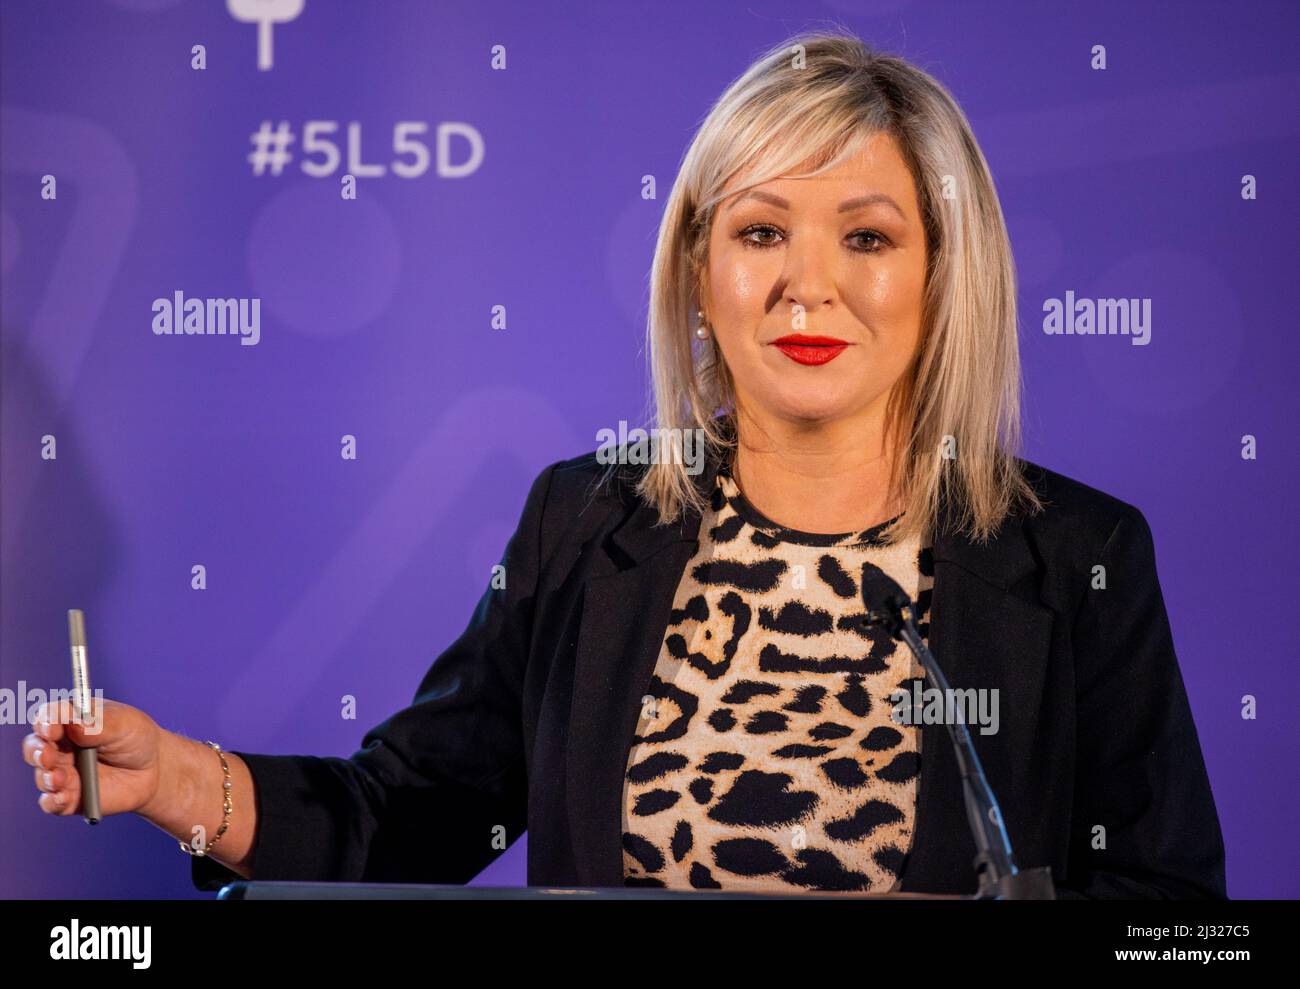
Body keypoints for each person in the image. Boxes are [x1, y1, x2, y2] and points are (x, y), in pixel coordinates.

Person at [22, 30, 1226, 898]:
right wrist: (174, 775)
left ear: (943, 275)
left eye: (866, 235)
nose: (807, 283)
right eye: (760, 232)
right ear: (699, 275)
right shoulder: (586, 520)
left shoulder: (1075, 556)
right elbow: (419, 810)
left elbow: (1167, 907)